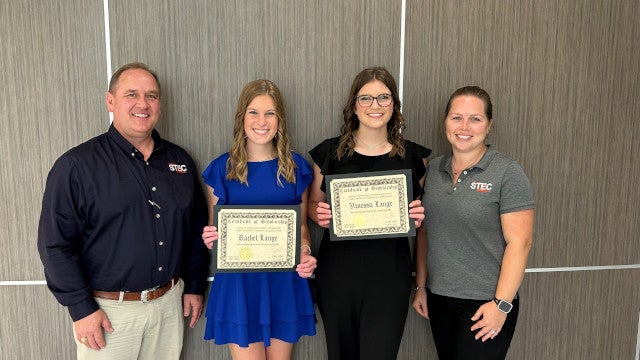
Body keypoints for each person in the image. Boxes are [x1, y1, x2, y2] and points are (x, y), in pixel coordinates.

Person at [37, 62, 210, 359]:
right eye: (132, 94)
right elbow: (54, 245)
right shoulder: (77, 166)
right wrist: (81, 309)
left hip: (169, 306)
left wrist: (194, 285)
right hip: (107, 315)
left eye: (152, 96)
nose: (143, 104)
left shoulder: (179, 161)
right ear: (111, 100)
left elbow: (196, 232)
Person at [307, 67, 431, 360]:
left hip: (389, 276)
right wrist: (319, 214)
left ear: (394, 105)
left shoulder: (415, 157)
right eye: (366, 98)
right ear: (354, 105)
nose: (375, 106)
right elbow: (312, 205)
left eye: (383, 97)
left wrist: (418, 214)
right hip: (338, 275)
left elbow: (421, 219)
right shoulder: (329, 153)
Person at [412, 85, 535, 359]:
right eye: (456, 117)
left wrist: (501, 305)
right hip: (440, 298)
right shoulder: (432, 169)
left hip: (485, 304)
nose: (464, 126)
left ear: (489, 125)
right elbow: (424, 233)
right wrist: (421, 287)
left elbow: (521, 242)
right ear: (445, 121)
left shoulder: (507, 172)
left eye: (475, 118)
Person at [200, 79, 317, 359]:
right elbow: (215, 235)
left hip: (284, 283)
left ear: (280, 120)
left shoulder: (295, 167)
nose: (261, 121)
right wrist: (210, 240)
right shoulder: (221, 169)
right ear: (242, 118)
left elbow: (301, 227)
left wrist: (305, 252)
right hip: (239, 286)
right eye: (253, 112)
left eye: (270, 113)